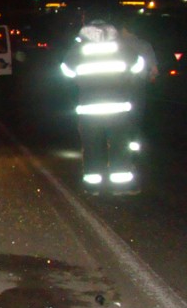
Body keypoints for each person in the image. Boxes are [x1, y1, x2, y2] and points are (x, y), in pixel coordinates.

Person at [60, 20, 144, 194]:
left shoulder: (79, 51)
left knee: (92, 148)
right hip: (118, 110)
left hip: (90, 111)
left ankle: (93, 187)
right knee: (120, 147)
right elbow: (139, 65)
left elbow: (65, 71)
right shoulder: (121, 49)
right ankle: (121, 186)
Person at [119, 21, 158, 153]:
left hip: (117, 87)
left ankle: (117, 146)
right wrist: (150, 78)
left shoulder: (116, 45)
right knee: (135, 118)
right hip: (138, 87)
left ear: (124, 29)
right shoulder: (145, 45)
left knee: (117, 118)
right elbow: (154, 71)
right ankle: (133, 147)